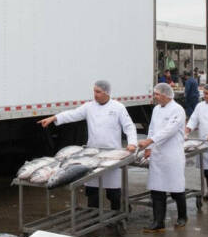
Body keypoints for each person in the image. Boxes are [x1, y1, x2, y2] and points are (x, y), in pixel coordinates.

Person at [38, 80, 138, 210]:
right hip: (92, 154)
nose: (95, 95)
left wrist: (132, 143)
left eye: (98, 92)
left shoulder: (118, 107)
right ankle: (93, 216)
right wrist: (54, 118)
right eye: (94, 91)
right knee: (92, 191)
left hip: (112, 155)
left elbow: (129, 127)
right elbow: (72, 114)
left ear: (107, 92)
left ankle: (119, 215)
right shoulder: (89, 107)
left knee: (113, 192)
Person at [138, 83, 187, 233]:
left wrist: (150, 142)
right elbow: (152, 129)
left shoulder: (177, 110)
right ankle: (158, 222)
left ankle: (182, 216)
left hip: (172, 155)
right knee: (157, 189)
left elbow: (169, 131)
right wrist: (148, 148)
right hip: (158, 155)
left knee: (176, 188)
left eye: (157, 94)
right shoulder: (156, 109)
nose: (155, 97)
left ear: (166, 95)